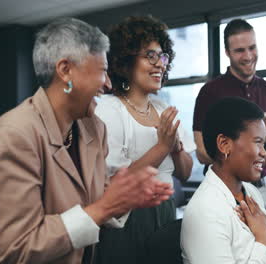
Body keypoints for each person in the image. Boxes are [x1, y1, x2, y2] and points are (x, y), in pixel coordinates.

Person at [0, 18, 173, 263]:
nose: (107, 84)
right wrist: (104, 208)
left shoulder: (93, 128)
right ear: (65, 71)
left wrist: (126, 198)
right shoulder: (14, 135)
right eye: (102, 71)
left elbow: (99, 200)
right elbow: (14, 247)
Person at [93, 16, 193, 263]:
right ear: (125, 63)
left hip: (166, 213)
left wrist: (177, 148)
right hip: (129, 222)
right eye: (150, 56)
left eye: (163, 57)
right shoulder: (109, 110)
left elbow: (185, 173)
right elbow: (118, 181)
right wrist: (162, 147)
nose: (160, 64)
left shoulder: (162, 108)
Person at [192, 18, 266, 255]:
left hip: (263, 188)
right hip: (229, 189)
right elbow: (202, 151)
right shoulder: (211, 92)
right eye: (240, 50)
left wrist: (264, 129)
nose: (248, 56)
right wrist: (245, 155)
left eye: (252, 48)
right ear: (227, 52)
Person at [182, 96, 266, 264]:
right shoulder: (204, 211)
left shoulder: (252, 192)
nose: (264, 153)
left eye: (264, 144)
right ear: (224, 144)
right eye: (258, 142)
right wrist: (264, 242)